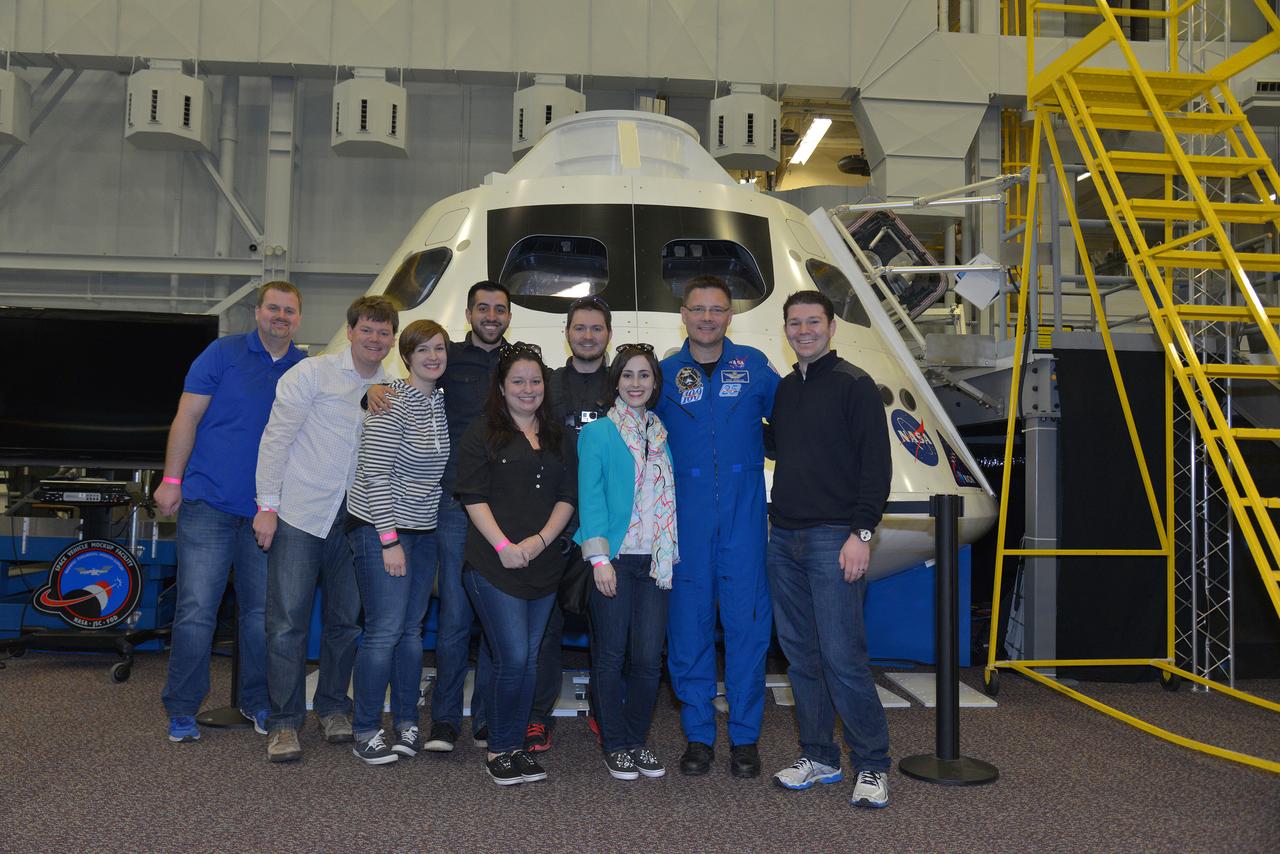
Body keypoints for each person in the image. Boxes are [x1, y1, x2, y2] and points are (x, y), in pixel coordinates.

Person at [158, 281, 305, 743]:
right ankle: (182, 708)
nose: (281, 316)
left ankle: (257, 702)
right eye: (273, 308)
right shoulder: (220, 354)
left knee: (262, 615)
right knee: (196, 611)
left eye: (290, 311)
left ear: (299, 319)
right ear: (257, 312)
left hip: (267, 513)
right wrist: (172, 479)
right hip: (208, 504)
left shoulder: (306, 369)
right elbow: (187, 417)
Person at [254, 295, 397, 763]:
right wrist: (267, 507)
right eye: (367, 329)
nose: (375, 339)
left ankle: (335, 707)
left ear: (391, 338)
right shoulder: (311, 374)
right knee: (287, 624)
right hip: (300, 513)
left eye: (384, 332)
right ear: (351, 330)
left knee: (345, 624)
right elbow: (276, 439)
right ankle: (283, 722)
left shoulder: (396, 388)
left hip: (357, 521)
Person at [766, 291, 893, 808]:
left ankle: (873, 765)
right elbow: (781, 447)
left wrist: (860, 534)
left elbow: (876, 466)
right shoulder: (785, 389)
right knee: (801, 659)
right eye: (794, 323)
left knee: (843, 658)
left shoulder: (855, 385)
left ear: (832, 327)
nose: (803, 330)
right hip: (784, 538)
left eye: (812, 322)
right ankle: (818, 756)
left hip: (833, 538)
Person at [655, 274, 779, 779]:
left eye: (717, 309)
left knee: (749, 630)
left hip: (744, 523)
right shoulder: (662, 375)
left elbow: (795, 424)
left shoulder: (754, 368)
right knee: (688, 633)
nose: (707, 317)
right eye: (698, 308)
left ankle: (745, 739)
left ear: (730, 316)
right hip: (684, 525)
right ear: (683, 314)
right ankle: (699, 736)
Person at [455, 342, 576, 785]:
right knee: (512, 657)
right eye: (518, 381)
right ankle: (501, 749)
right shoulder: (482, 431)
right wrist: (507, 546)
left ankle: (515, 745)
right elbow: (473, 496)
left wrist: (539, 542)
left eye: (536, 380)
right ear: (502, 387)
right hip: (492, 563)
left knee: (528, 660)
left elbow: (568, 497)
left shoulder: (560, 436)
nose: (528, 389)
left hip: (542, 565)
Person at [345, 320, 450, 765]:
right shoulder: (392, 400)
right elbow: (373, 473)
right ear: (406, 357)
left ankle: (407, 722)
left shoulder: (439, 403)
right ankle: (366, 729)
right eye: (422, 349)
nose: (433, 356)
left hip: (424, 531)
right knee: (384, 631)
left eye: (439, 349)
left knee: (410, 632)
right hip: (380, 530)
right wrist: (389, 540)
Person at [575, 343, 677, 780]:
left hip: (655, 561)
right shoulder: (598, 432)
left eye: (645, 376)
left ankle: (636, 740)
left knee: (649, 659)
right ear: (615, 381)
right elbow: (590, 498)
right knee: (611, 656)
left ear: (655, 384)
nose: (636, 383)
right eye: (629, 375)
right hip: (613, 559)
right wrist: (599, 560)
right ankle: (613, 742)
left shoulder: (660, 431)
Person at [423, 281, 511, 752]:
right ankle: (443, 721)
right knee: (455, 618)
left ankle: (486, 719)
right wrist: (374, 390)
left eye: (500, 309)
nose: (491, 315)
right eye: (483, 307)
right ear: (470, 312)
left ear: (508, 316)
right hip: (456, 505)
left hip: (507, 509)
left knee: (496, 619)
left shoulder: (520, 363)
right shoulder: (448, 358)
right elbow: (412, 382)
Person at [527, 294, 613, 753]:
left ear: (608, 335)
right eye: (579, 328)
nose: (587, 336)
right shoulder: (547, 385)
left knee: (607, 627)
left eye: (596, 328)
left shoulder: (623, 386)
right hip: (553, 525)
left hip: (606, 528)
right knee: (545, 627)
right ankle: (538, 716)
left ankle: (605, 712)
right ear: (567, 333)